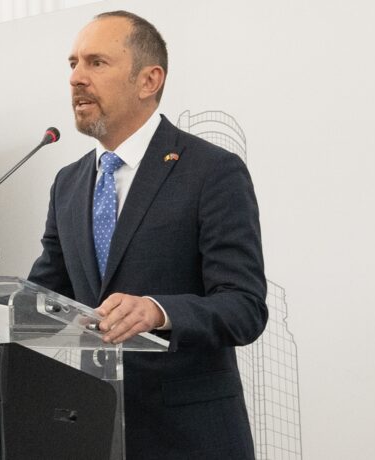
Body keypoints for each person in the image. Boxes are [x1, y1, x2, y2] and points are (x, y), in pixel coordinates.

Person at [28, 10, 268, 459]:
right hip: (99, 432)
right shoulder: (68, 183)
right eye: (73, 63)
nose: (76, 77)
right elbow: (44, 297)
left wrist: (158, 311)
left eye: (96, 62)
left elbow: (244, 307)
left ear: (149, 80)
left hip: (190, 440)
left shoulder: (211, 172)